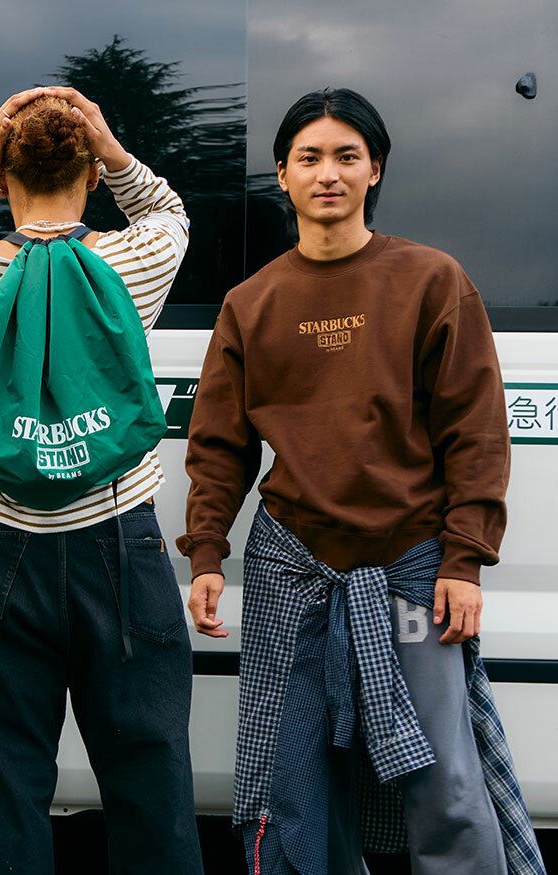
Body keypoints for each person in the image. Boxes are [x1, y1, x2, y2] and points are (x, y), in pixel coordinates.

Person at [178, 88, 546, 875]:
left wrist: (464, 559)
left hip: (413, 564)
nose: (329, 174)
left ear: (374, 168)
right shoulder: (252, 303)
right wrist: (207, 551)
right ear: (282, 173)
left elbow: (476, 431)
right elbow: (219, 446)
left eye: (347, 156)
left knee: (444, 781)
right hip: (293, 566)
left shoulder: (431, 280)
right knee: (293, 784)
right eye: (309, 157)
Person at [0, 86, 204, 875]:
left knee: (2, 796)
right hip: (120, 548)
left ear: (2, 180)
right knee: (152, 790)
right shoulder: (137, 261)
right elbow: (168, 211)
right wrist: (115, 148)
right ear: (92, 175)